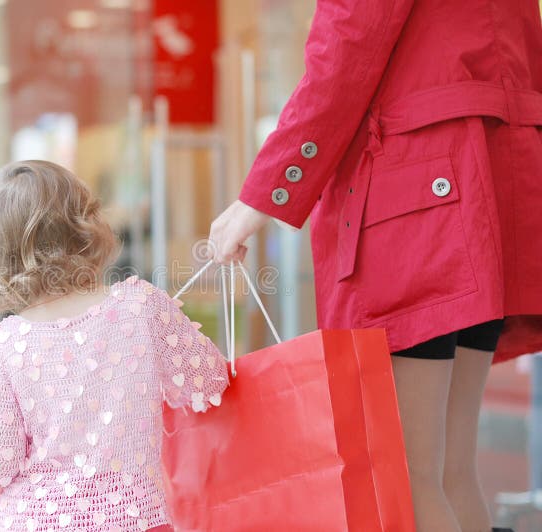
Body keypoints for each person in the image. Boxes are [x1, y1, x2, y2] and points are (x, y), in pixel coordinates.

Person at [208, 1, 542, 531]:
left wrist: (263, 195)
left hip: (418, 204)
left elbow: (342, 53)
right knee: (450, 473)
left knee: (408, 479)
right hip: (491, 191)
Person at [0, 161, 229, 531]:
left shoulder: (1, 347)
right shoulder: (141, 307)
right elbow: (207, 381)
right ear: (86, 225)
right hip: (132, 518)